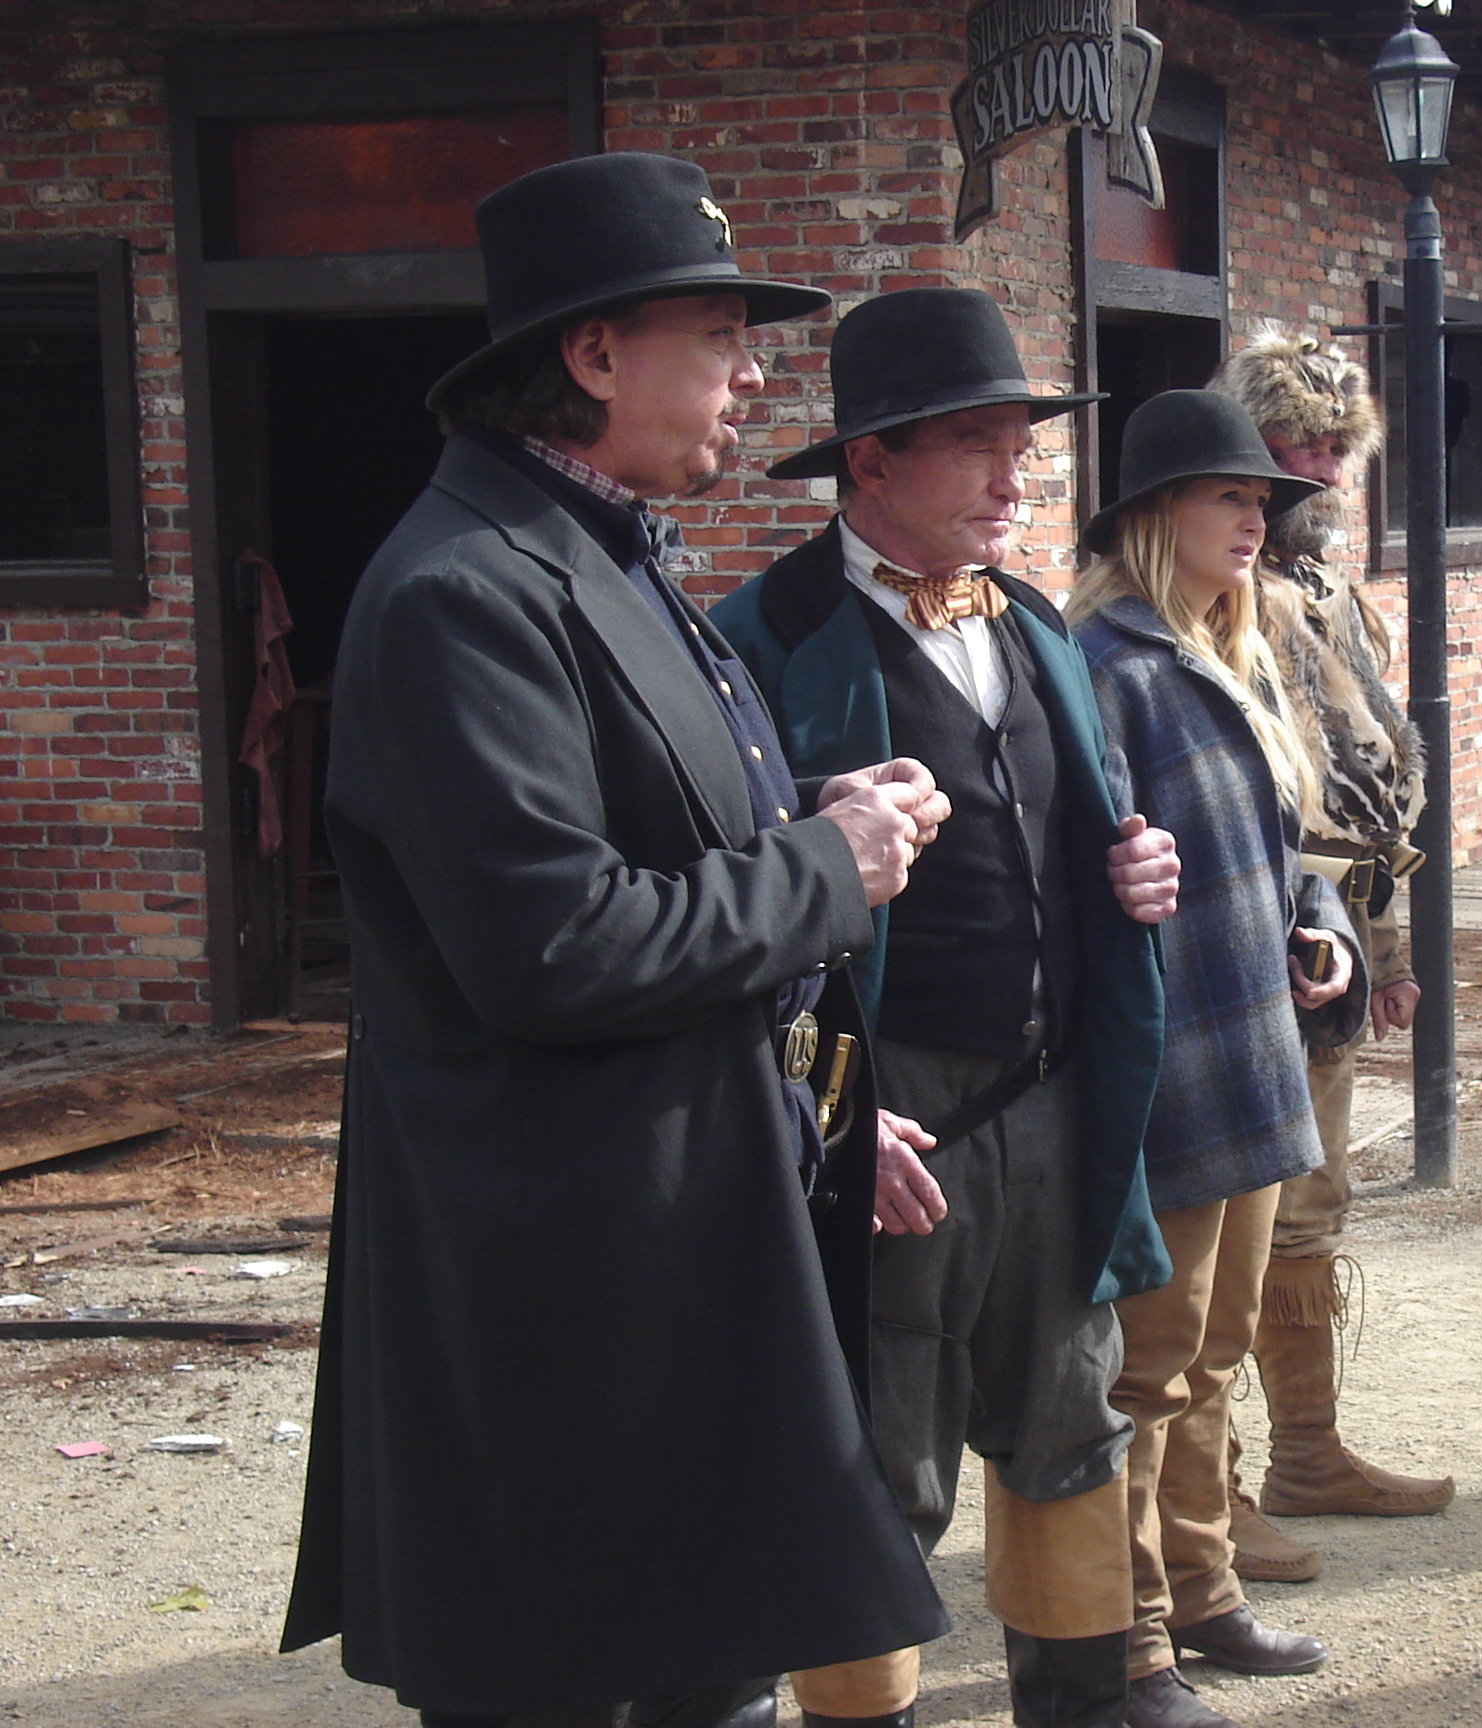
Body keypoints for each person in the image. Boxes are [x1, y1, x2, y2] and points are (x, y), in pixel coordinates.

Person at [280, 153, 953, 1728]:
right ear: (592, 355)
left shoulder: (603, 551)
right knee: (575, 1673)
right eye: (719, 333)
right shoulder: (461, 592)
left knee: (710, 1663)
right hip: (568, 1283)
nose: (755, 371)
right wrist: (829, 865)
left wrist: (810, 830)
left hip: (677, 1222)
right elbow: (557, 944)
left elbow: (669, 845)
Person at [712, 286, 1182, 1728]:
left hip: (1049, 1091)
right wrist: (826, 1110)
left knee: (1067, 1402)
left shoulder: (1039, 623)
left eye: (1020, 444)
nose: (1013, 475)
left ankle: (1088, 1695)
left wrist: (1133, 867)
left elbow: (1063, 821)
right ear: (869, 462)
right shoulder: (757, 637)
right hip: (887, 1105)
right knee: (877, 1436)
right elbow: (720, 900)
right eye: (974, 445)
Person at [1067, 390, 1366, 1728]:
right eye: (1226, 496)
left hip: (1257, 1053)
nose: (1257, 516)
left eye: (1265, 500)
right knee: (1150, 1364)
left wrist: (1321, 925)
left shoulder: (1227, 648)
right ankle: (1130, 1637)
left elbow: (1281, 842)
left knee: (1219, 1346)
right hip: (1167, 1070)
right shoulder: (1107, 666)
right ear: (1152, 518)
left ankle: (1203, 1589)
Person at [1205, 329, 1450, 1585]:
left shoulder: (1334, 596)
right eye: (1296, 447)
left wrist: (1393, 949)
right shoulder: (1214, 595)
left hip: (1339, 938)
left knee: (1310, 1211)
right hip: (1251, 939)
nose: (1320, 474)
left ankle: (1308, 1451)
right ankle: (1214, 1492)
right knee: (1232, 1221)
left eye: (1334, 450)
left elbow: (1377, 788)